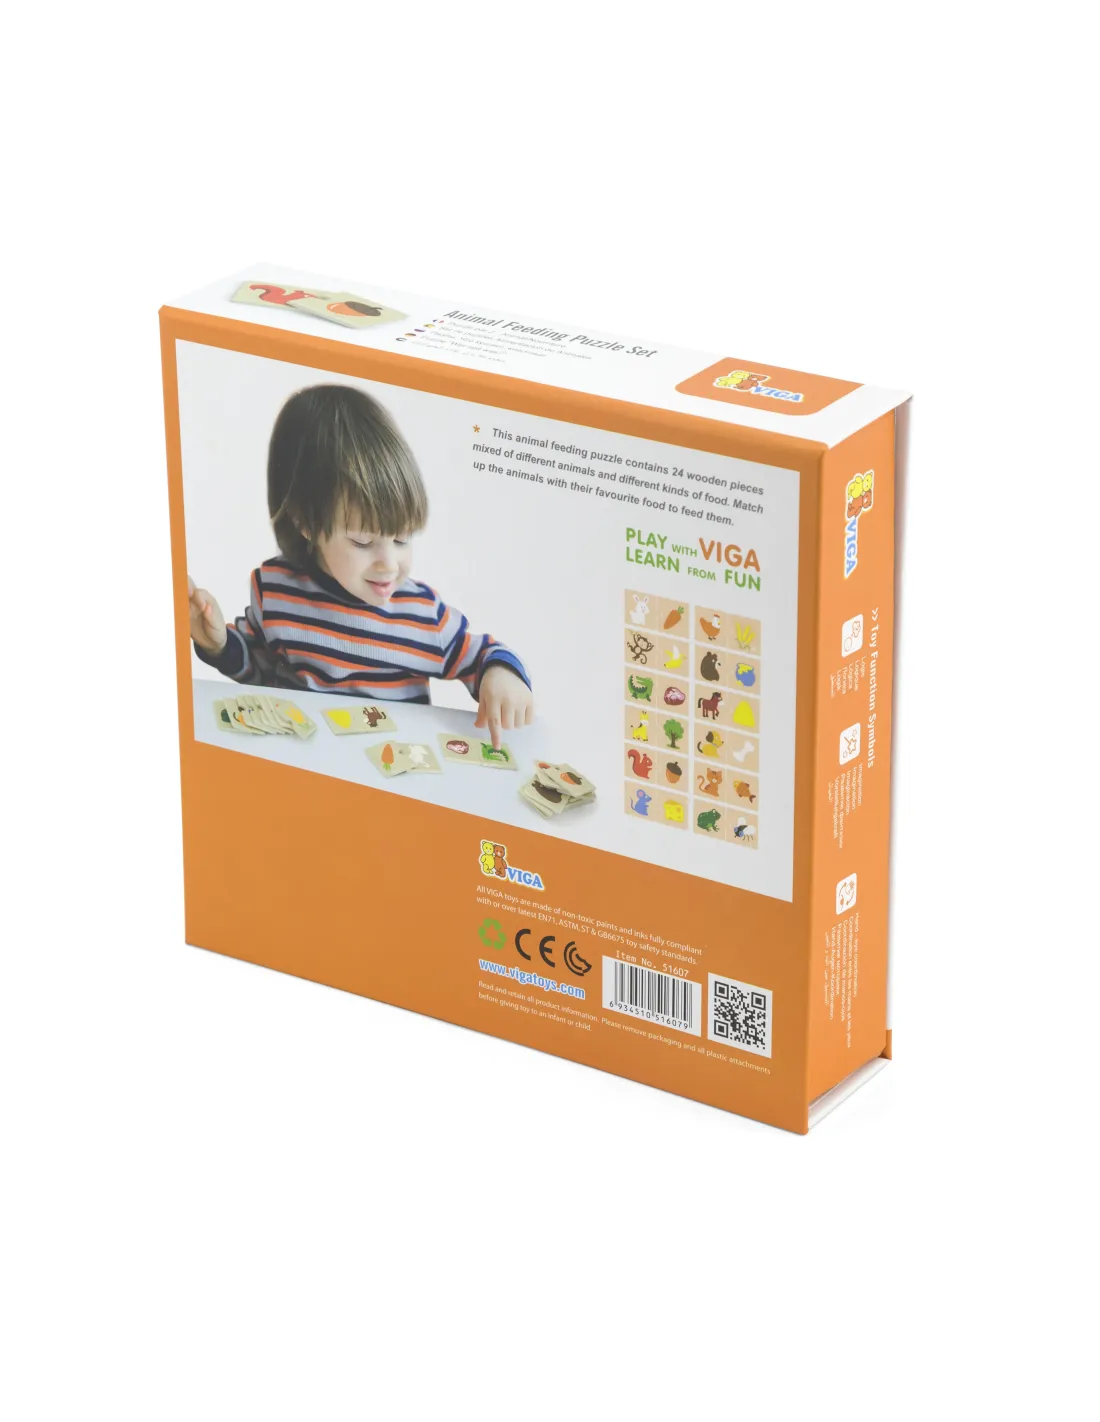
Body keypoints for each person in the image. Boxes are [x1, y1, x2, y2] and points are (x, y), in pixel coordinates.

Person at [188, 384, 533, 746]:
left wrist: (501, 675)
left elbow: (481, 655)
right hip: (299, 760)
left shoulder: (421, 614)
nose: (389, 565)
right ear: (306, 523)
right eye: (363, 542)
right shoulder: (274, 589)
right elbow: (258, 671)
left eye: (402, 539)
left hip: (390, 768)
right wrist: (219, 645)